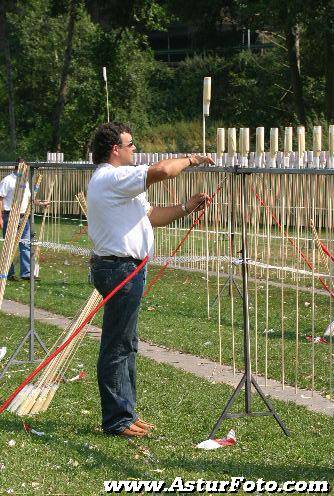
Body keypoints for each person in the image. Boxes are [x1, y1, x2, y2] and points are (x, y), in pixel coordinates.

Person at [88, 121, 214, 438]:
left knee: (126, 342)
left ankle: (125, 413)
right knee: (117, 345)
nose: (135, 149)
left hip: (127, 269)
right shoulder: (112, 176)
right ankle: (117, 420)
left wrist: (187, 207)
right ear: (115, 149)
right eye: (131, 145)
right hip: (119, 269)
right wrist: (193, 159)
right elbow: (162, 171)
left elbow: (151, 216)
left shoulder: (118, 184)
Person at [0, 160, 49, 281]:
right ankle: (9, 273)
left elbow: (30, 199)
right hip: (9, 215)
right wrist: (0, 217)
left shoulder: (25, 182)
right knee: (9, 245)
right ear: (19, 167)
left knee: (25, 244)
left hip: (23, 216)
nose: (27, 171)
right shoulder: (7, 180)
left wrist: (42, 204)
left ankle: (26, 273)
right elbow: (0, 199)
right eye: (25, 168)